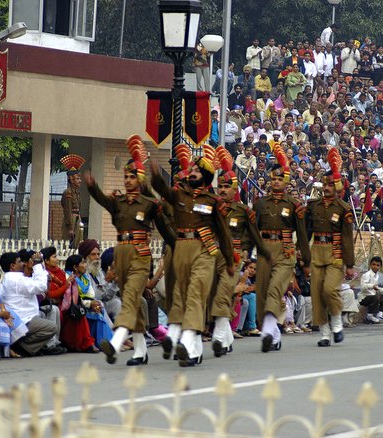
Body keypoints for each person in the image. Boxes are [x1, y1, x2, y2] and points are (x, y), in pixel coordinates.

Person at [85, 135, 175, 366]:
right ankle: (140, 351)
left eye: (131, 176)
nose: (127, 180)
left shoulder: (150, 204)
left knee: (131, 298)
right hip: (121, 256)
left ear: (140, 178)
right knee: (131, 300)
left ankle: (115, 344)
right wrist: (92, 186)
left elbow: (165, 230)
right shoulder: (119, 201)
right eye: (125, 176)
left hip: (140, 256)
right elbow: (101, 200)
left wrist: (179, 246)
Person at [150, 144, 234, 367]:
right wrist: (156, 175)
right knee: (180, 295)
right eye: (192, 169)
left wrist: (229, 260)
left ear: (205, 176)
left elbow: (224, 234)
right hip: (181, 248)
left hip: (204, 250)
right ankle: (194, 349)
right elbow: (163, 190)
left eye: (197, 170)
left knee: (196, 294)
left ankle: (185, 342)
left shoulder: (212, 202)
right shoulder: (179, 195)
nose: (192, 172)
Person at [212, 147, 271, 357]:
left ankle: (219, 338)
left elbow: (252, 234)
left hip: (234, 257)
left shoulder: (244, 211)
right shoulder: (213, 208)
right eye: (220, 186)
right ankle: (226, 338)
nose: (222, 190)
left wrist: (247, 251)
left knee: (223, 294)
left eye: (227, 187)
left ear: (234, 188)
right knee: (217, 295)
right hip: (213, 256)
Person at [253, 144, 310, 353]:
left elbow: (302, 234)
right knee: (263, 290)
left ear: (285, 181)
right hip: (265, 249)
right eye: (273, 179)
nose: (276, 182)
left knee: (276, 288)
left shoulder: (294, 204)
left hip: (285, 250)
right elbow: (253, 229)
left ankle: (268, 330)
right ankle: (275, 332)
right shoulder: (260, 203)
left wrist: (307, 261)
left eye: (279, 178)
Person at [306, 149, 355, 347]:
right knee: (317, 294)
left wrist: (349, 264)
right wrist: (302, 255)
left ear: (337, 186)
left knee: (329, 290)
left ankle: (336, 323)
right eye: (324, 184)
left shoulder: (343, 208)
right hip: (317, 251)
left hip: (335, 254)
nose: (326, 188)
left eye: (329, 184)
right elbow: (306, 231)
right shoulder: (313, 206)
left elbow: (347, 237)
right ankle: (325, 334)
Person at [0, 251, 58, 356]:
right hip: (23, 320)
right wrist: (37, 265)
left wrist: (38, 266)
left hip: (24, 316)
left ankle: (29, 347)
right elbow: (41, 286)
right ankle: (23, 347)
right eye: (19, 261)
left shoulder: (12, 278)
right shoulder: (16, 279)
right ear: (12, 266)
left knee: (47, 315)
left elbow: (36, 284)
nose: (22, 263)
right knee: (51, 327)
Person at [61, 254, 101, 353]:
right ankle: (89, 343)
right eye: (83, 263)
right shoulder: (68, 277)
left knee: (99, 312)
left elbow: (91, 294)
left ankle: (101, 342)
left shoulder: (85, 278)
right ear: (75, 267)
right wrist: (89, 304)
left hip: (83, 305)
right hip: (70, 307)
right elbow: (71, 297)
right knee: (81, 315)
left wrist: (93, 304)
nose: (85, 265)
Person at [60, 154, 86, 248]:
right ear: (71, 179)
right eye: (78, 178)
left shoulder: (76, 192)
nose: (80, 181)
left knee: (78, 243)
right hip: (70, 220)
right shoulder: (68, 193)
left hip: (77, 218)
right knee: (67, 244)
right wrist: (70, 227)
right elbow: (67, 210)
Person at [359, 256, 383, 323]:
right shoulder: (366, 275)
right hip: (364, 298)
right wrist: (372, 286)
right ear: (370, 265)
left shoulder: (377, 276)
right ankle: (369, 316)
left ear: (380, 267)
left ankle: (379, 315)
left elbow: (377, 288)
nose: (375, 266)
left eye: (377, 265)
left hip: (373, 296)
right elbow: (363, 287)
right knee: (375, 297)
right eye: (373, 264)